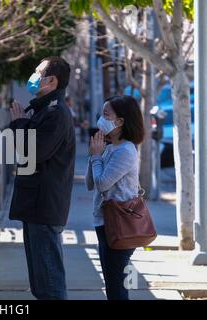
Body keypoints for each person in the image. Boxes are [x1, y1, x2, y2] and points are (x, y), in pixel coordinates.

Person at [9, 56, 76, 300]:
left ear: (52, 80)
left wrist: (18, 125)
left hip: (45, 205)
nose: (33, 76)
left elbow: (34, 151)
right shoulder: (44, 110)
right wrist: (21, 124)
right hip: (36, 204)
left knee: (50, 284)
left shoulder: (56, 113)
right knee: (40, 283)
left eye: (38, 72)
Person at [85, 95, 145, 300]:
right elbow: (90, 183)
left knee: (117, 288)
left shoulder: (126, 151)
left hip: (120, 224)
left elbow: (102, 183)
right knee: (112, 285)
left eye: (105, 115)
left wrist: (95, 157)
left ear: (120, 121)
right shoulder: (110, 148)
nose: (101, 119)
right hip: (105, 222)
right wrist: (94, 154)